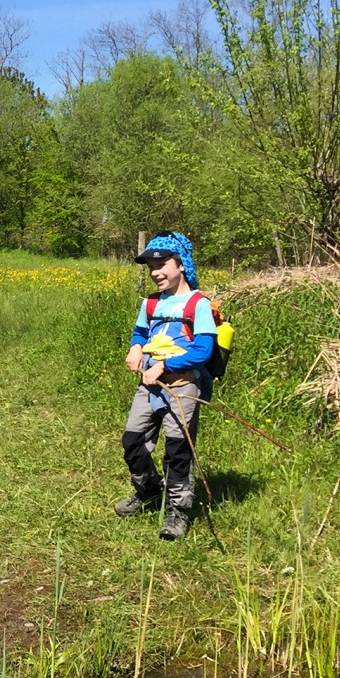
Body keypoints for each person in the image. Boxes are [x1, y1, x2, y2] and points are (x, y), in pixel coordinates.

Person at [116, 232, 217, 541]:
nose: (156, 272)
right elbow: (140, 333)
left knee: (178, 450)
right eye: (151, 266)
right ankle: (148, 490)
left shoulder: (198, 304)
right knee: (132, 442)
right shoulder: (150, 303)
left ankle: (178, 511)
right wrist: (136, 347)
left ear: (181, 264)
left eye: (162, 264)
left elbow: (203, 350)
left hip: (183, 386)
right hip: (150, 387)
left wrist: (164, 365)